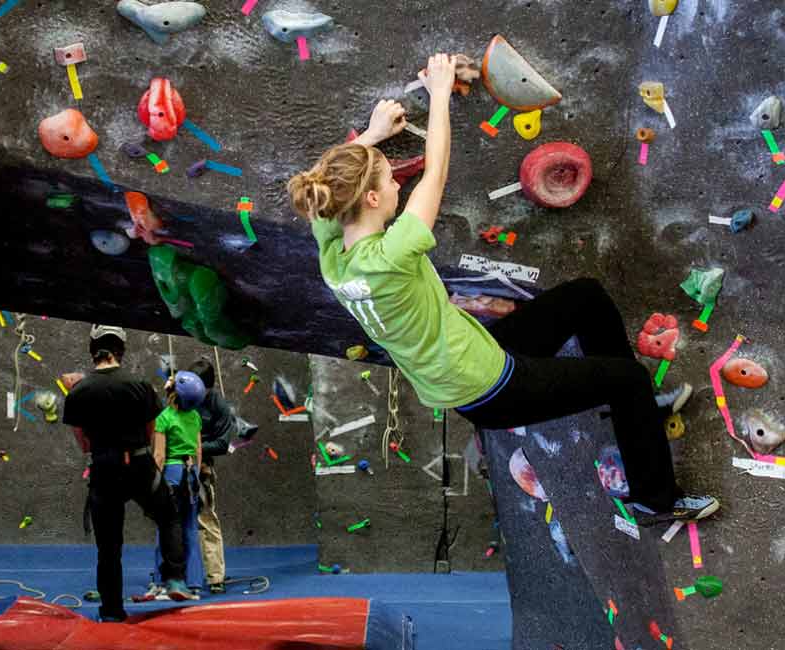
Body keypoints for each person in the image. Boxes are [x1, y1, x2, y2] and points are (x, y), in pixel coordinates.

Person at [285, 54, 717, 525]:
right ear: (371, 199)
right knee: (631, 380)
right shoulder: (393, 253)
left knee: (586, 298)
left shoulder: (334, 253)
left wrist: (372, 136)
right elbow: (436, 172)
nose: (396, 186)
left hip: (471, 355)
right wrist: (441, 95)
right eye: (389, 181)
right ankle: (656, 500)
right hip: (494, 386)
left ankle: (626, 412)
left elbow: (327, 186)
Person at [61, 324, 191, 620]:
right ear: (121, 349)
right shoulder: (139, 385)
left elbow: (83, 443)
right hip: (138, 463)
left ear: (93, 351)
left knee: (108, 547)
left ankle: (111, 611)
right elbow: (149, 431)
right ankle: (174, 577)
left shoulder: (78, 392)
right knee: (168, 515)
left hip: (104, 467)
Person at [186, 359, 252, 593]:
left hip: (202, 467)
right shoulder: (182, 396)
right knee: (173, 520)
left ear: (207, 386)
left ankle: (215, 577)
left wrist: (196, 447)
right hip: (178, 464)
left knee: (206, 519)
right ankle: (175, 575)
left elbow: (223, 444)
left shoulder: (217, 404)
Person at [142, 370, 205, 600]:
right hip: (191, 474)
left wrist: (153, 483)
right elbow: (198, 450)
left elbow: (158, 455)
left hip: (171, 471)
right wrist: (196, 475)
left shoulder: (164, 417)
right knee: (189, 527)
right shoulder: (195, 416)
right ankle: (195, 581)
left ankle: (161, 582)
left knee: (165, 527)